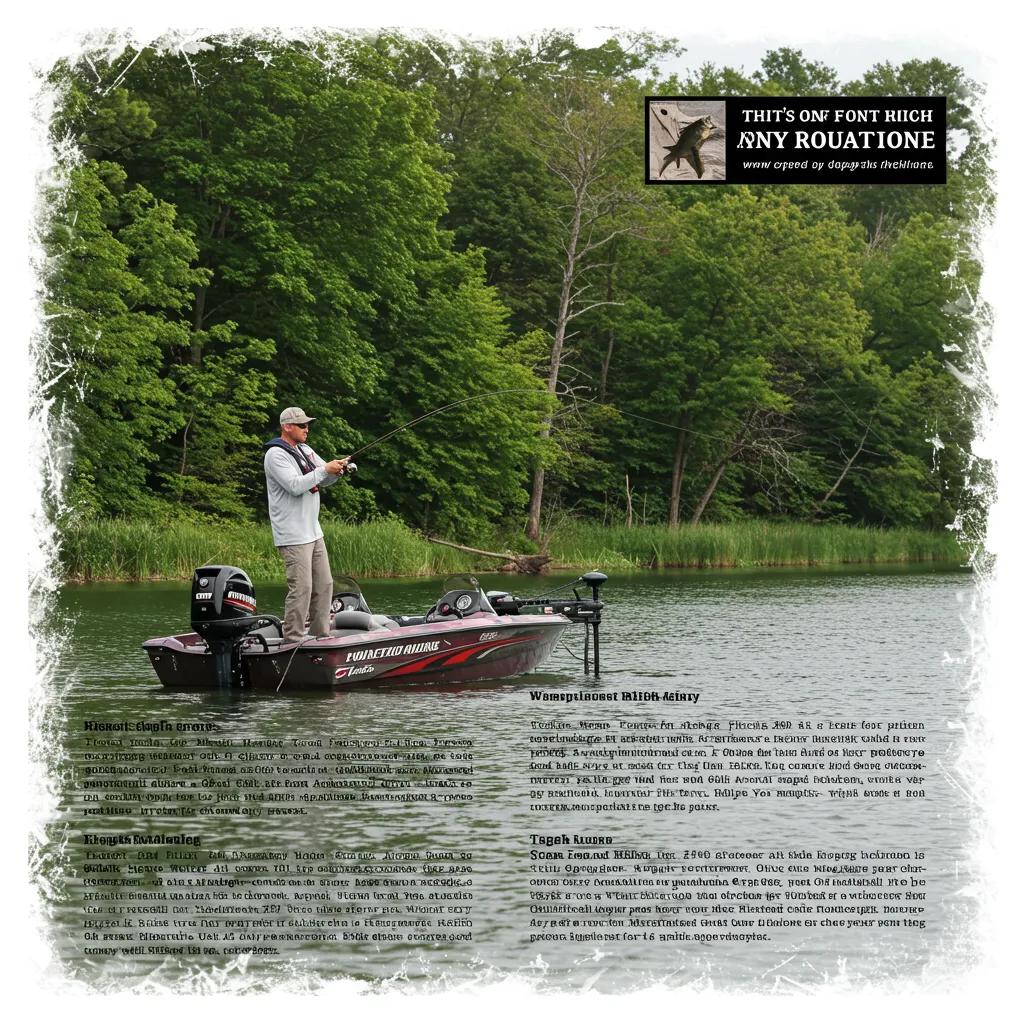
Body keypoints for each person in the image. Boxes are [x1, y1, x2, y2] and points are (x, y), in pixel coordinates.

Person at [263, 407, 349, 643]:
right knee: (301, 589)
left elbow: (325, 478)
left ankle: (321, 637)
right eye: (302, 425)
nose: (306, 428)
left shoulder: (305, 450)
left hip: (313, 532)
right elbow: (295, 485)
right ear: (287, 427)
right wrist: (324, 470)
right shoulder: (275, 455)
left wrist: (338, 470)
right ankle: (292, 640)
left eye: (307, 424)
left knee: (324, 584)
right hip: (292, 535)